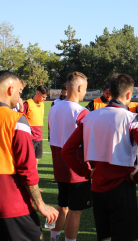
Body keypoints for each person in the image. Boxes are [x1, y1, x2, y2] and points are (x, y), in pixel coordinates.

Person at [61, 74, 138, 241]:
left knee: (104, 236)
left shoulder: (89, 116)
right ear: (128, 95)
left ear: (110, 92)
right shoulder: (131, 118)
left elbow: (67, 150)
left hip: (97, 186)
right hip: (123, 186)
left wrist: (86, 172)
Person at [0, 71, 58, 240]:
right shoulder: (15, 120)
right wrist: (40, 204)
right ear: (10, 89)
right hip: (11, 203)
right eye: (19, 90)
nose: (21, 93)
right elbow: (27, 168)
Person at [48, 72, 92, 241]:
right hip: (77, 169)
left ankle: (53, 238)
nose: (85, 93)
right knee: (75, 210)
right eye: (85, 89)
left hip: (59, 167)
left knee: (62, 205)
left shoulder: (53, 108)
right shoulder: (82, 112)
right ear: (80, 88)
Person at [22, 85, 49, 167]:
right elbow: (21, 119)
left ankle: (34, 177)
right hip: (30, 137)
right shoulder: (27, 104)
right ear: (38, 93)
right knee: (29, 161)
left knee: (36, 160)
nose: (44, 99)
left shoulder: (42, 104)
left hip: (39, 137)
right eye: (43, 97)